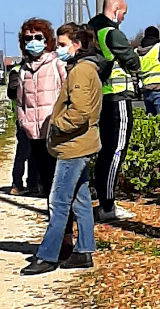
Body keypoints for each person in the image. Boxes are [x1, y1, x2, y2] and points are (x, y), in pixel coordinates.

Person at [21, 23, 105, 275]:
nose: (57, 49)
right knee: (80, 201)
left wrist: (55, 124)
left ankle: (47, 255)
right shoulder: (87, 69)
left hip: (73, 146)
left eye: (61, 44)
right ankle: (84, 251)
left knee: (58, 202)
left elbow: (79, 112)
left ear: (76, 46)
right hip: (81, 143)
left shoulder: (80, 72)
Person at [88, 0, 141, 222]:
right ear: (116, 9)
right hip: (117, 98)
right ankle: (108, 206)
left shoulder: (93, 31)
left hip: (102, 98)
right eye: (124, 13)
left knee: (105, 152)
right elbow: (132, 61)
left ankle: (104, 201)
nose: (123, 18)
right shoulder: (111, 33)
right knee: (116, 151)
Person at [8, 19, 67, 197]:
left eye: (37, 37)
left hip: (55, 132)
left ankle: (64, 220)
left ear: (46, 39)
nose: (33, 41)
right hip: (34, 134)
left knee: (59, 181)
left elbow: (68, 93)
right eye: (28, 38)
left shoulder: (57, 64)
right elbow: (20, 101)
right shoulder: (23, 71)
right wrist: (24, 122)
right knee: (46, 181)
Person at [8, 63, 40, 195]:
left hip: (38, 117)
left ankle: (33, 184)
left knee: (36, 153)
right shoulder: (18, 71)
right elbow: (12, 93)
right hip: (24, 118)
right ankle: (17, 184)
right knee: (23, 152)